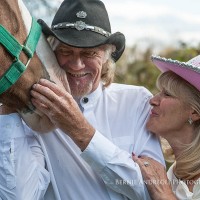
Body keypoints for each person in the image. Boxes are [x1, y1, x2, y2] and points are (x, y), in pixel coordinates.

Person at [0, 0, 165, 199]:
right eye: (66, 51)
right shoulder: (35, 112)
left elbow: (154, 190)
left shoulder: (137, 101)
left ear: (106, 55)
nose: (77, 65)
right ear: (50, 52)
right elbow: (19, 195)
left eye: (89, 53)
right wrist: (12, 98)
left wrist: (79, 129)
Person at [133, 55, 200, 200]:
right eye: (159, 91)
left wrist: (163, 194)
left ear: (194, 112)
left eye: (167, 94)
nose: (153, 100)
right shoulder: (175, 172)